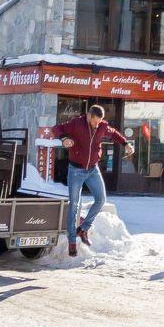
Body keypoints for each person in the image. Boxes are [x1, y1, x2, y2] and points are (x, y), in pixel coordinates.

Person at [42, 104, 130, 257]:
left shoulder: (102, 126)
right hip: (76, 170)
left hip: (92, 170)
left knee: (101, 199)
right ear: (89, 116)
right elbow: (57, 128)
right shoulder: (76, 124)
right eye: (95, 121)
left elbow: (113, 133)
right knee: (75, 204)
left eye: (99, 122)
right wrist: (64, 139)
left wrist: (126, 143)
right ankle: (71, 242)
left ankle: (83, 229)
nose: (97, 125)